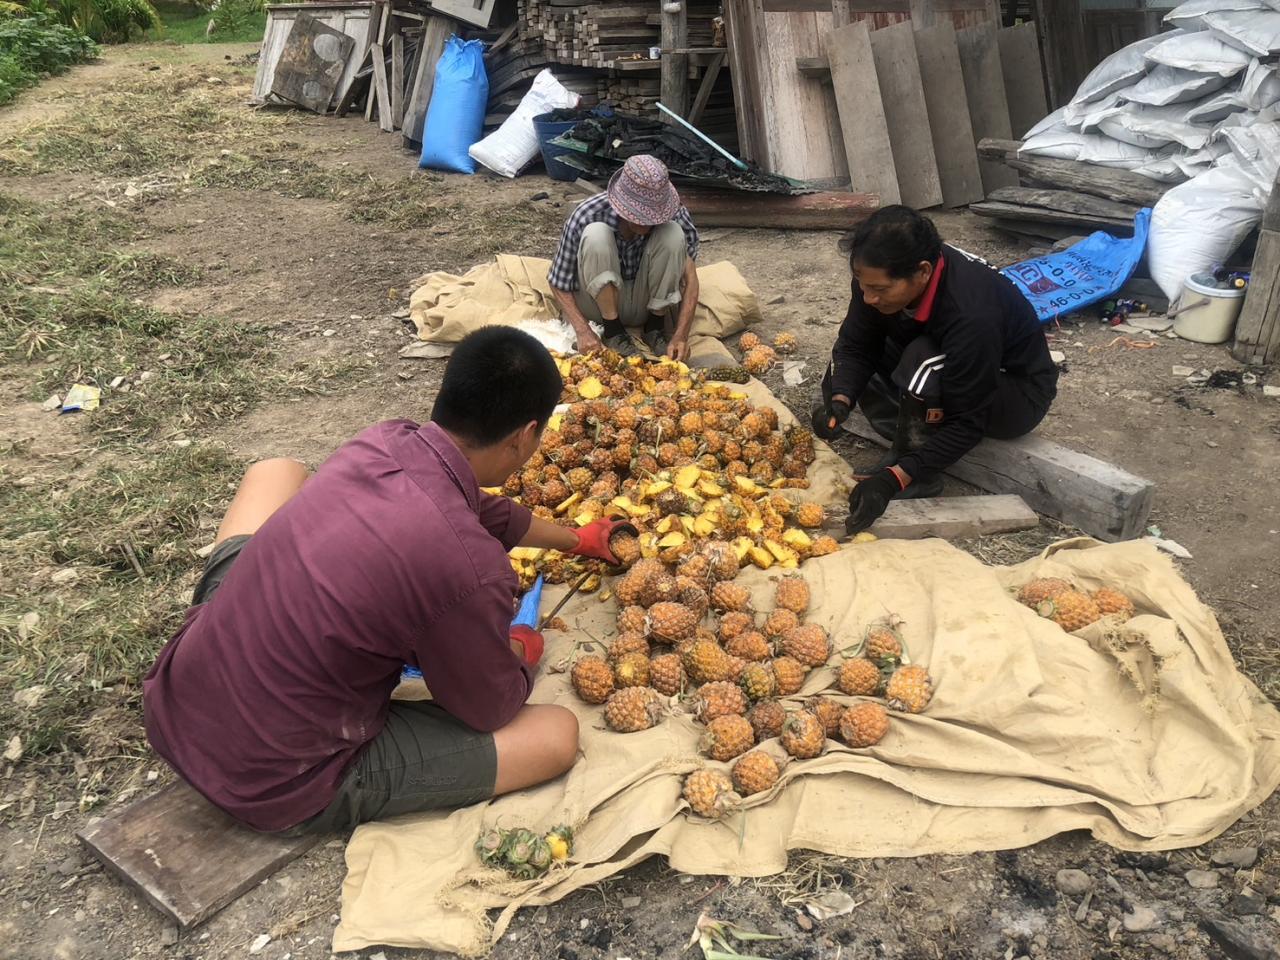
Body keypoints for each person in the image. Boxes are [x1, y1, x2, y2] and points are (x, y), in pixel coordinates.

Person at [143, 328, 634, 835]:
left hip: (180, 696)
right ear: (525, 435)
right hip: (272, 772)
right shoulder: (471, 570)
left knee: (276, 474)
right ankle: (313, 787)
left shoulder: (385, 440)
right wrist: (520, 652)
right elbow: (488, 706)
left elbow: (484, 510)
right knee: (555, 735)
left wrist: (577, 540)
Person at [812, 205, 1058, 535]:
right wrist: (841, 400)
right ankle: (911, 427)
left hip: (1013, 392)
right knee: (849, 364)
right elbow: (857, 343)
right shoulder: (877, 279)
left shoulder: (971, 315)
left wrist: (893, 479)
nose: (868, 296)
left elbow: (969, 422)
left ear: (923, 272)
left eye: (880, 290)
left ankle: (916, 471)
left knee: (922, 365)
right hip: (943, 353)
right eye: (862, 284)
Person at [548, 154, 700, 361]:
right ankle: (614, 332)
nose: (647, 224)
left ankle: (655, 328)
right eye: (640, 217)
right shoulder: (587, 214)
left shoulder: (675, 214)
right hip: (597, 307)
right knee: (596, 234)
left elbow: (690, 280)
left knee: (672, 233)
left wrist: (681, 335)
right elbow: (558, 282)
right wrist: (583, 330)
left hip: (647, 303)